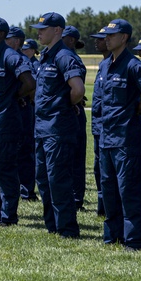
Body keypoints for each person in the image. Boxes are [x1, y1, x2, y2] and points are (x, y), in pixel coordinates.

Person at [31, 12, 86, 238]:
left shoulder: (64, 56)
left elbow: (78, 90)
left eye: (44, 29)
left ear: (57, 31)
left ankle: (66, 228)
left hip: (57, 127)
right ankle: (52, 225)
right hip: (42, 127)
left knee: (58, 179)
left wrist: (63, 106)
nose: (39, 33)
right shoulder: (45, 56)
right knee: (43, 178)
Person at [98, 19, 141, 249]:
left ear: (124, 38)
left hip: (126, 139)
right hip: (106, 137)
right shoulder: (105, 64)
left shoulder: (133, 65)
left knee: (129, 192)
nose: (107, 38)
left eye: (112, 35)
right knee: (108, 192)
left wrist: (140, 105)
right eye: (106, 35)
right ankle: (112, 236)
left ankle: (133, 239)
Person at [0, 17, 35, 225]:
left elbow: (29, 83)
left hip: (3, 123)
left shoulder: (11, 57)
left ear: (1, 34)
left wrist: (13, 96)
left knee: (4, 169)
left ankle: (8, 214)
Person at [62, 25, 89, 210]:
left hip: (74, 112)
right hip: (70, 111)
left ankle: (77, 198)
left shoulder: (72, 60)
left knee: (76, 159)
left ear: (71, 40)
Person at [89, 28, 111, 216]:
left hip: (113, 129)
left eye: (101, 39)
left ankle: (107, 207)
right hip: (99, 126)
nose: (98, 42)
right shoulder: (104, 65)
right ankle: (102, 206)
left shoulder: (120, 65)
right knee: (99, 168)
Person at [17, 38, 39, 201]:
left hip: (25, 109)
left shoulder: (25, 62)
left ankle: (27, 190)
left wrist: (20, 97)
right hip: (12, 110)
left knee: (25, 150)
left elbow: (33, 86)